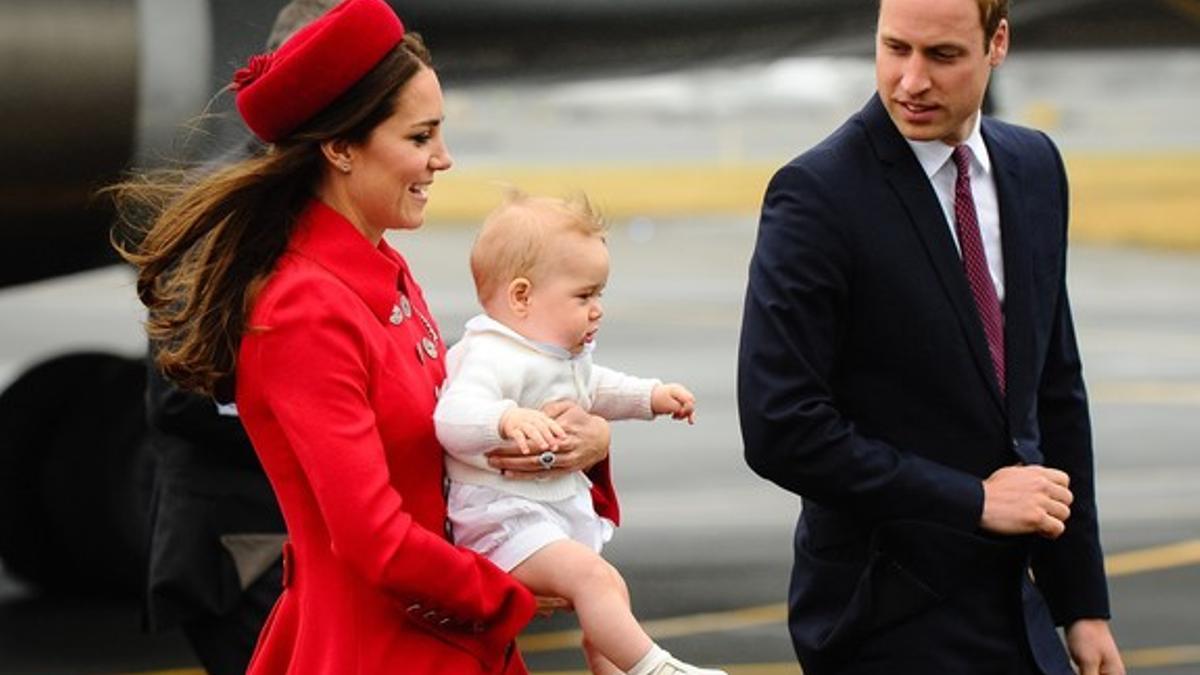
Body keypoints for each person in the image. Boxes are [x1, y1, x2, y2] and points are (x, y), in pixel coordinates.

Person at [111, 1, 612, 672]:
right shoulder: (304, 308)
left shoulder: (384, 271)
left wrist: (584, 441)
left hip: (439, 636)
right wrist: (506, 592)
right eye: (420, 137)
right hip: (380, 647)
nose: (444, 159)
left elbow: (451, 435)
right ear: (341, 148)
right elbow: (372, 539)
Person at [737, 0, 1125, 674]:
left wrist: (1082, 602)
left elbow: (1055, 392)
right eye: (895, 49)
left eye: (942, 56)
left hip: (1020, 611)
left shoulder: (1033, 167)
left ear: (996, 42)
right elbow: (781, 427)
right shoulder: (816, 194)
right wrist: (973, 500)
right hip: (885, 613)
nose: (911, 81)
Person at [434, 191, 723, 675]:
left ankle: (613, 668)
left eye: (600, 295)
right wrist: (505, 419)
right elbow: (452, 418)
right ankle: (656, 669)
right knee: (593, 577)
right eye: (584, 295)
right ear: (522, 296)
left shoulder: (555, 354)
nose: (598, 310)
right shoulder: (489, 354)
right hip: (500, 521)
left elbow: (598, 387)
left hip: (538, 515)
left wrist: (651, 397)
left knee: (608, 584)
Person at [139, 4, 337, 674]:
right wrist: (326, 410)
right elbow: (177, 393)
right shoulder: (225, 205)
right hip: (243, 548)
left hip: (300, 542)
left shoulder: (322, 195)